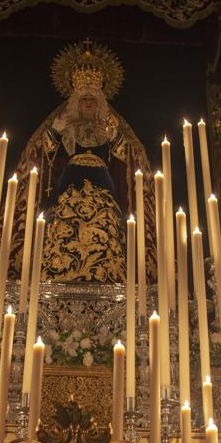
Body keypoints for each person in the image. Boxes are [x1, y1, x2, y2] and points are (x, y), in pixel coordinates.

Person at [39, 43, 128, 283]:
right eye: (84, 99)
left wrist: (113, 138)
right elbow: (45, 156)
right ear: (76, 103)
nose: (88, 103)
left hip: (102, 183)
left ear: (99, 103)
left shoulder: (109, 129)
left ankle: (105, 272)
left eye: (92, 99)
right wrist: (55, 132)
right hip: (70, 182)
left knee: (105, 221)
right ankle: (62, 271)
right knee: (65, 222)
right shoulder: (65, 126)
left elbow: (127, 162)